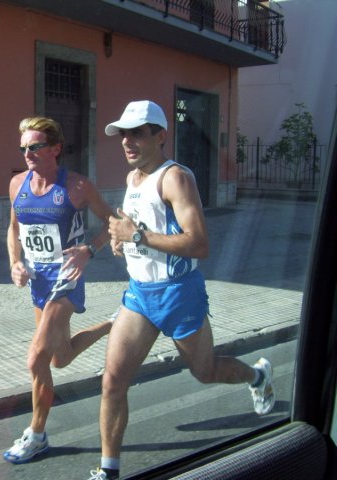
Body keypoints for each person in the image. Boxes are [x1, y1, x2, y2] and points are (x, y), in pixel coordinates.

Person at [88, 100, 275, 480]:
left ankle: (258, 377)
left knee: (205, 372)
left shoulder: (175, 178)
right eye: (123, 134)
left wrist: (137, 235)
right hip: (140, 294)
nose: (127, 141)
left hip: (179, 293)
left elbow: (199, 244)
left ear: (160, 136)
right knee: (112, 381)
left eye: (137, 133)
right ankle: (109, 471)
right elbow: (138, 230)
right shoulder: (132, 179)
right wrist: (123, 241)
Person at [4, 116, 116, 464]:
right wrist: (15, 262)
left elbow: (113, 224)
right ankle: (115, 323)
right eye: (23, 148)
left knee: (35, 358)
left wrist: (89, 250)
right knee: (59, 357)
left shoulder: (78, 187)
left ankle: (37, 434)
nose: (27, 153)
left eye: (35, 147)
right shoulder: (16, 184)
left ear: (55, 148)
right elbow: (14, 230)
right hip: (38, 280)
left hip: (67, 278)